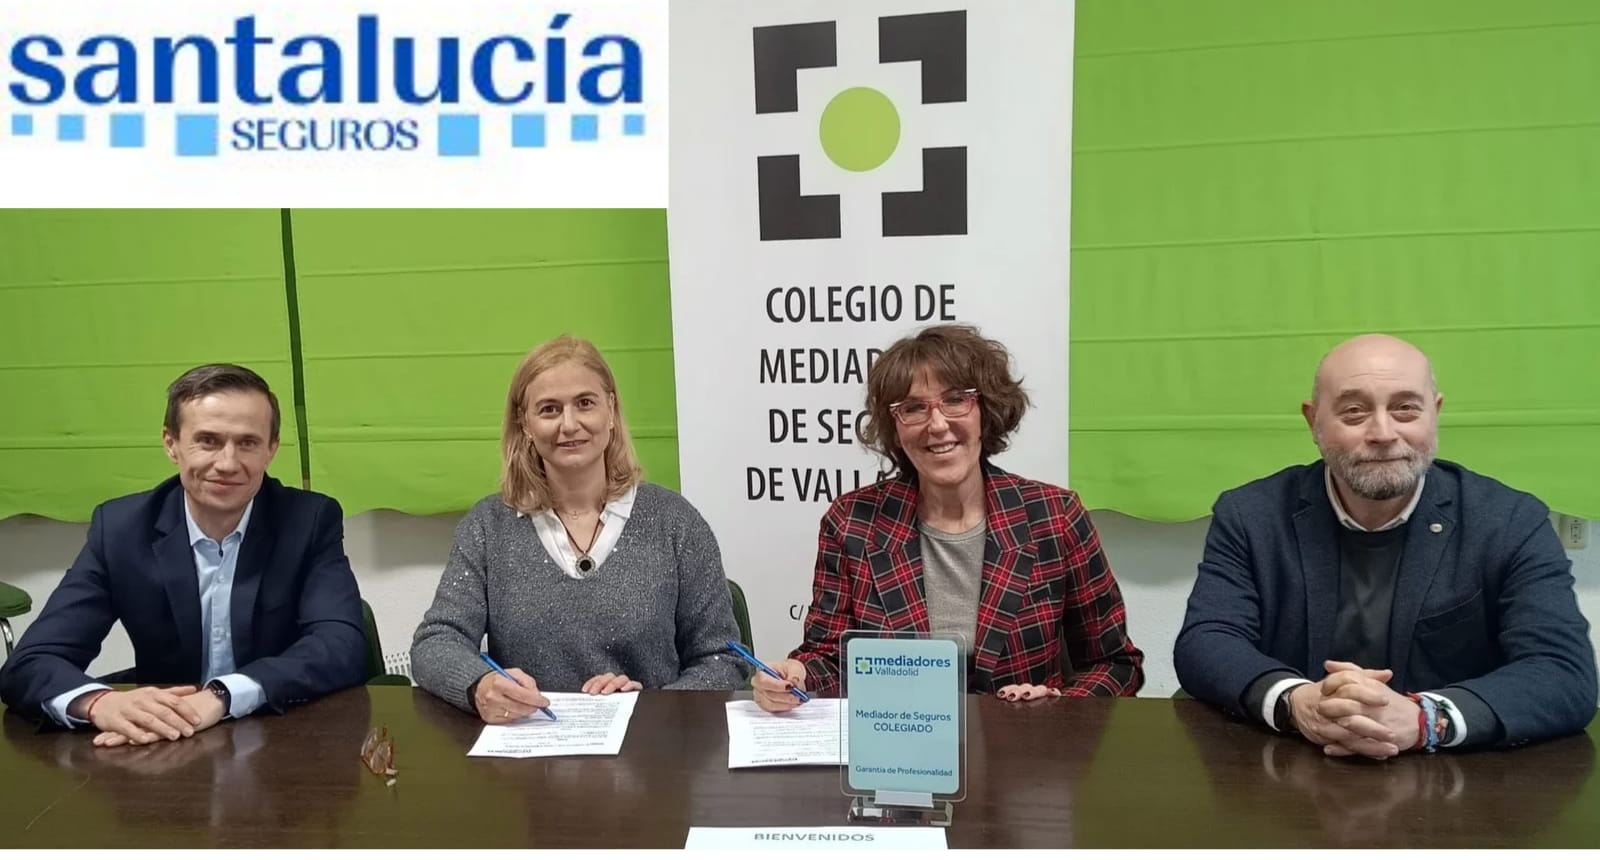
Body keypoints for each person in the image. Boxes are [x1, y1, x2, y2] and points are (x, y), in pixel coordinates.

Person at [1175, 334, 1597, 757]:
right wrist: (1295, 701)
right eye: (1354, 411)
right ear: (1314, 422)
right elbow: (1207, 641)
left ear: (1435, 413)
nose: (1383, 433)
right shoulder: (1251, 515)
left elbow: (1562, 671)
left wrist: (1426, 719)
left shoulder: (1510, 521)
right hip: (1288, 766)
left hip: (1452, 778)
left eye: (1406, 408)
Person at [752, 325, 1145, 712]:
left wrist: (1058, 705)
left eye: (956, 400)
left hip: (1025, 746)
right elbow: (831, 659)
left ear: (985, 410)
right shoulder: (852, 522)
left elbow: (1115, 664)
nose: (937, 425)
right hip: (900, 743)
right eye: (913, 408)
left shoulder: (1055, 517)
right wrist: (797, 675)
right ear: (895, 428)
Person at [0, 364, 366, 746]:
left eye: (247, 443)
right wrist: (99, 704)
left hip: (280, 736)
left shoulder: (309, 521)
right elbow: (30, 663)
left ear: (271, 449)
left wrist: (224, 695)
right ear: (171, 443)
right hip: (165, 745)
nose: (227, 463)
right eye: (208, 441)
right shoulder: (122, 529)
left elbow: (341, 645)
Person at [410, 335, 744, 722]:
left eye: (585, 403)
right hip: (531, 748)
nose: (569, 425)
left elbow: (723, 660)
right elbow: (436, 642)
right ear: (525, 424)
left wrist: (649, 707)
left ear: (611, 410)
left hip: (651, 747)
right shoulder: (488, 527)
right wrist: (480, 685)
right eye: (549, 409)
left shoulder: (675, 522)